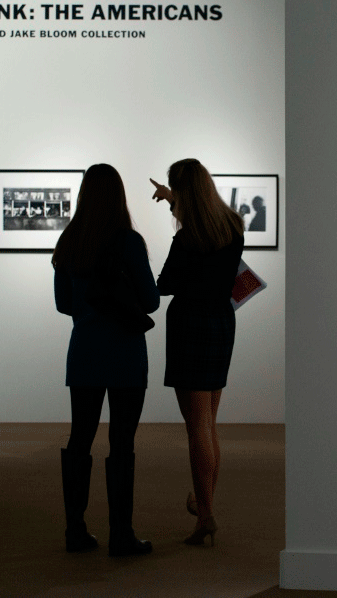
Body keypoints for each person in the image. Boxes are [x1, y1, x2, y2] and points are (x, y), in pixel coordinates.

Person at [53, 163, 160, 557]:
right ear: (119, 196)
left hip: (84, 350)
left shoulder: (70, 241)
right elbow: (150, 301)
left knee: (80, 438)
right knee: (122, 441)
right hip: (126, 352)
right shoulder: (129, 242)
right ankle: (121, 534)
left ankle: (75, 530)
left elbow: (64, 303)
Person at [150, 159, 245, 547]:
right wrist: (174, 201)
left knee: (196, 426)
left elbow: (165, 284)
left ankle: (205, 514)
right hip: (221, 322)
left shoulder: (186, 239)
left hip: (190, 325)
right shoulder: (233, 226)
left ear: (185, 191)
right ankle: (204, 502)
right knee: (210, 422)